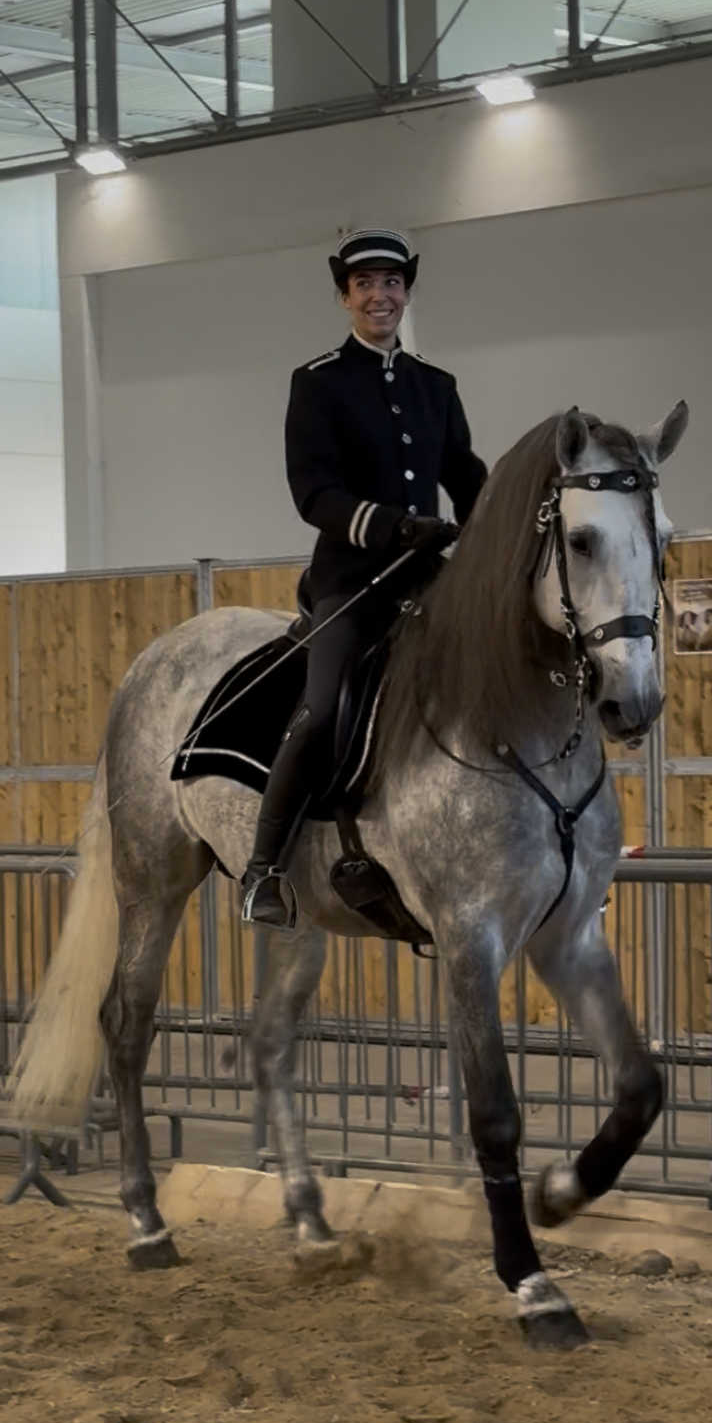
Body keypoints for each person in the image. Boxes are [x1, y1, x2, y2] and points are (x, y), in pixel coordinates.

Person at [241, 229, 488, 929]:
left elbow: (465, 479)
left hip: (427, 582)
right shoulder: (318, 382)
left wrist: (506, 521)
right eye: (364, 285)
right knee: (321, 710)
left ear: (407, 291)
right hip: (352, 581)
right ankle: (264, 868)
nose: (380, 295)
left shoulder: (435, 387)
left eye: (391, 283)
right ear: (345, 297)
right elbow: (313, 493)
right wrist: (393, 527)